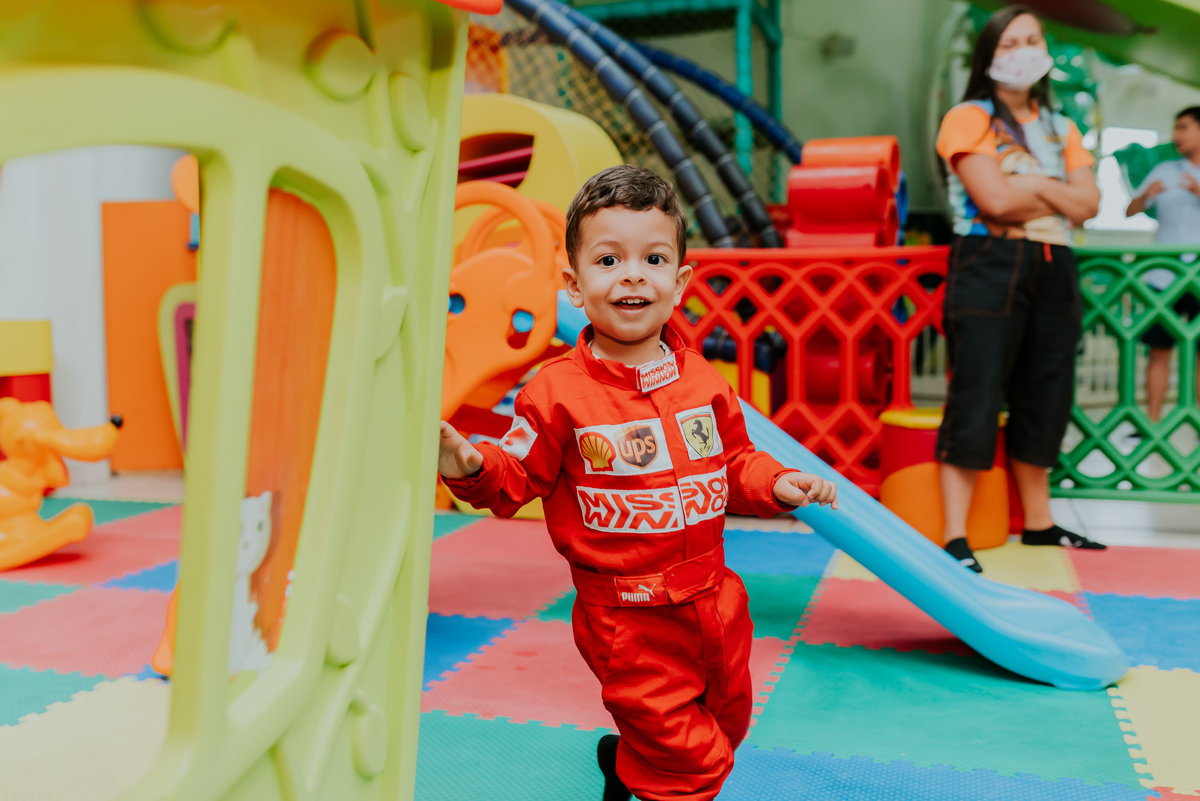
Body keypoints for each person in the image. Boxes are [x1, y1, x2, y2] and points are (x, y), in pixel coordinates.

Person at [438, 165, 838, 801]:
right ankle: (649, 773)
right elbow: (515, 476)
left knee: (724, 726)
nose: (632, 274)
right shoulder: (556, 393)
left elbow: (735, 461)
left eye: (653, 258)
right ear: (574, 284)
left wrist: (777, 482)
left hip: (715, 601)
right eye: (608, 259)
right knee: (692, 765)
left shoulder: (702, 380)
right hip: (627, 619)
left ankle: (628, 766)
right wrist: (473, 466)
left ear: (679, 282)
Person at [934, 5, 1105, 573]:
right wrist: (1054, 186)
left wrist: (1028, 184)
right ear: (989, 55)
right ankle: (955, 535)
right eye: (1010, 43)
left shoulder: (1063, 126)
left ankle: (1039, 523)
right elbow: (995, 202)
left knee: (1047, 388)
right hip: (990, 259)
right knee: (978, 391)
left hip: (1055, 262)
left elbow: (1091, 205)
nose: (1023, 51)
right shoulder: (968, 117)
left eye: (1032, 40)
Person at [1126, 107, 1200, 423]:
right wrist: (1145, 197)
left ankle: (1197, 423)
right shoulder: (1164, 170)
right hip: (1163, 276)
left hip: (1197, 275)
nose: (1176, 136)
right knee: (1158, 350)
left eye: (1183, 128)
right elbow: (1130, 209)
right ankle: (1151, 424)